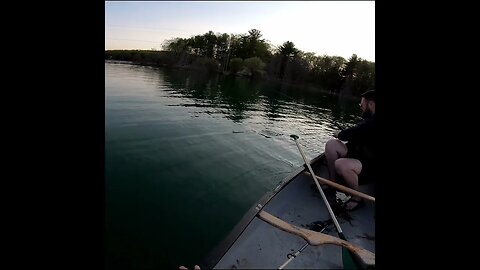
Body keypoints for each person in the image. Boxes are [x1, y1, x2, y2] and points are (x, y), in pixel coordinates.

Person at [324, 90, 376, 211]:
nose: (360, 106)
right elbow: (359, 131)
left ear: (371, 104)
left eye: (362, 104)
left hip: (371, 167)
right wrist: (347, 133)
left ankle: (357, 197)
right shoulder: (369, 119)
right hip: (360, 156)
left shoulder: (374, 122)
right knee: (331, 145)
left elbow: (353, 132)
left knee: (341, 164)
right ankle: (332, 183)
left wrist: (340, 133)